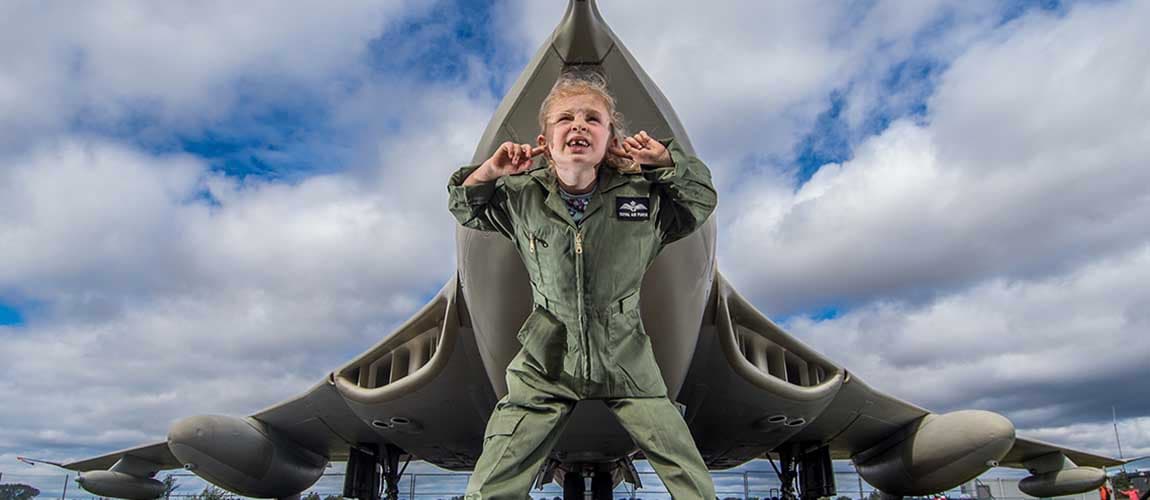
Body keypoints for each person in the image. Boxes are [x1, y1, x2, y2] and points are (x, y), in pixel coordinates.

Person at [447, 72, 717, 499]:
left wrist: (666, 161)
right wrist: (490, 170)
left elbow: (700, 201)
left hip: (626, 355)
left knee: (688, 475)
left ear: (610, 139)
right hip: (546, 357)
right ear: (546, 139)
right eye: (565, 119)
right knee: (493, 476)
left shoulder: (645, 201)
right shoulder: (522, 199)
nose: (578, 126)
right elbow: (464, 206)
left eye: (593, 119)